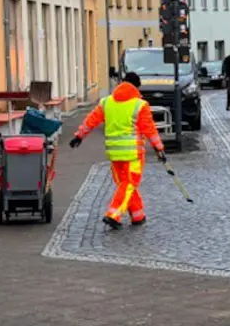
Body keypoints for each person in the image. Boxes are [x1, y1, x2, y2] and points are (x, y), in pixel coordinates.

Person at [69, 71, 166, 229]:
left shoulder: (106, 102)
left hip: (114, 153)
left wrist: (79, 136)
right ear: (136, 87)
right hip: (133, 154)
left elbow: (91, 120)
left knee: (125, 185)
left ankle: (138, 215)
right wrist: (159, 148)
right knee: (129, 184)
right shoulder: (140, 105)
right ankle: (113, 214)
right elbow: (150, 130)